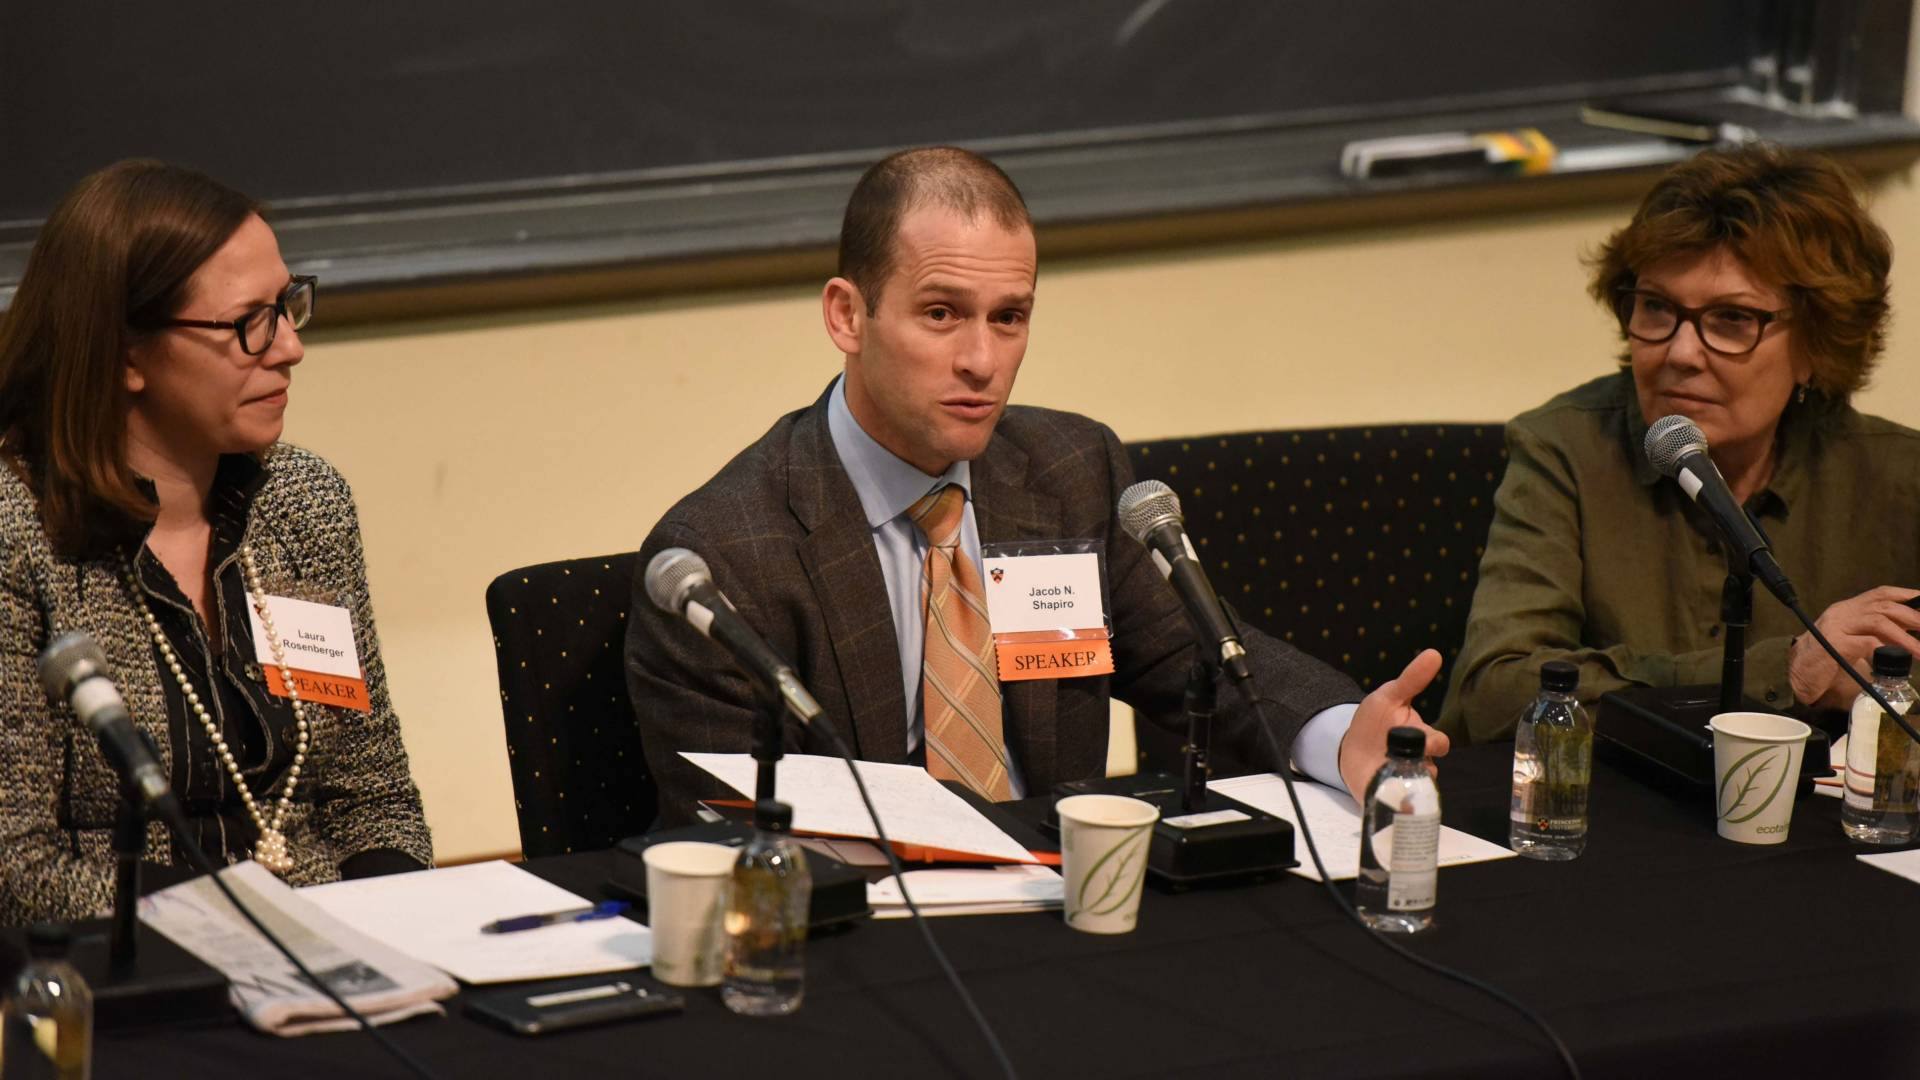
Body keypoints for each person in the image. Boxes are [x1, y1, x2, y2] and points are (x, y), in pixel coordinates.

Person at [627, 146, 1449, 826]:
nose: (983, 362)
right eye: (942, 314)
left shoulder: (1069, 470)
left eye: (1009, 317)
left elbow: (1190, 652)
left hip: (1066, 901)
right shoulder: (724, 559)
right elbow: (725, 830)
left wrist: (1343, 738)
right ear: (847, 315)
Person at [0, 161, 432, 925]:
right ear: (126, 353)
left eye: (289, 304)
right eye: (249, 323)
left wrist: (391, 937)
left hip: (328, 940)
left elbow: (374, 797)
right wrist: (254, 927)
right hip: (125, 964)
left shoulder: (302, 504)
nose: (290, 347)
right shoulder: (19, 535)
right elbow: (18, 869)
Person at [1441, 145, 1920, 743]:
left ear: (1818, 344)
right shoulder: (1565, 448)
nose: (1681, 354)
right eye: (1657, 308)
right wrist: (1788, 672)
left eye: (1732, 320)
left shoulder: (1898, 475)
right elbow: (1495, 695)